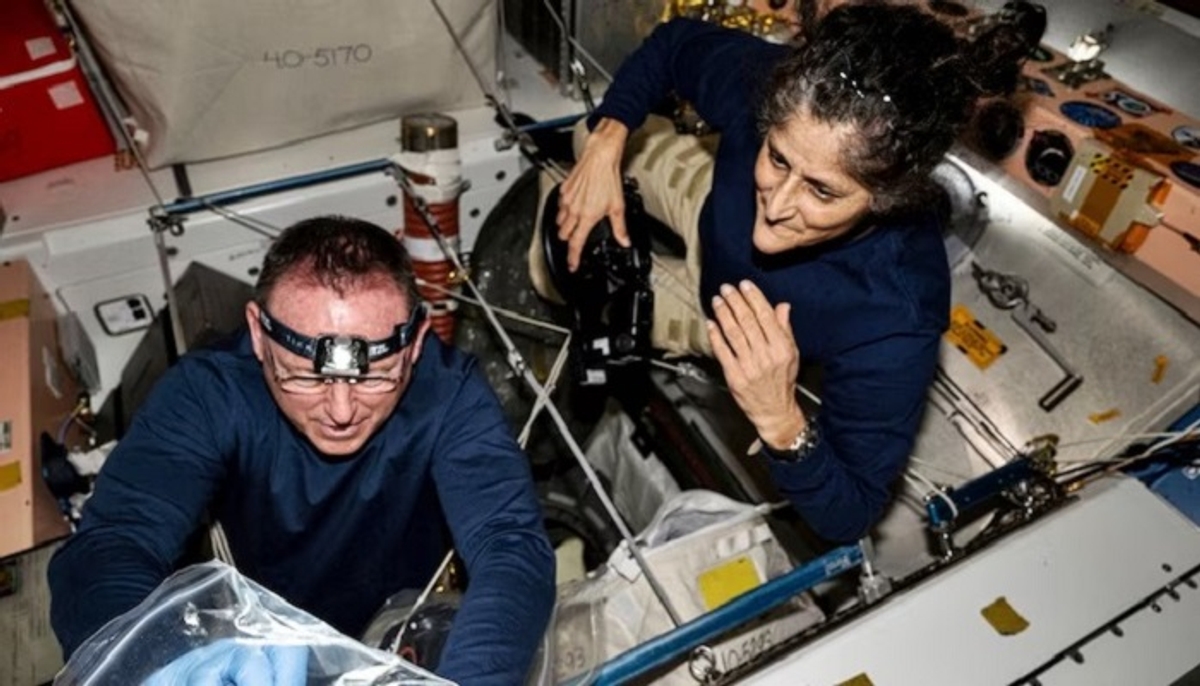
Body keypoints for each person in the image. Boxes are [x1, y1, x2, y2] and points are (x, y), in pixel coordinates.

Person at [544, 1, 1032, 542]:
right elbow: (675, 42)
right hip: (709, 200)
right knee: (584, 136)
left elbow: (852, 514)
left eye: (822, 191)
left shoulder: (896, 314)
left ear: (888, 199)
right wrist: (607, 144)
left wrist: (781, 419)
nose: (775, 208)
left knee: (552, 277)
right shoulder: (776, 91)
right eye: (777, 158)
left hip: (730, 327)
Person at [49, 216, 556, 684]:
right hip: (261, 653)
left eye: (376, 377)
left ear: (417, 343)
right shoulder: (208, 395)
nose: (340, 410)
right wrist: (156, 662)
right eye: (304, 376)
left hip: (406, 633)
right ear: (258, 333)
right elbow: (111, 544)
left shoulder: (451, 395)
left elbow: (510, 547)